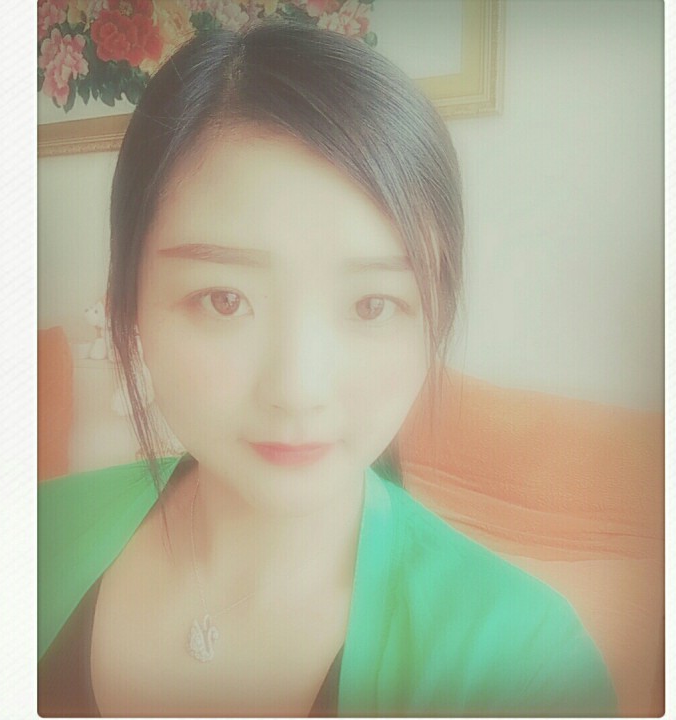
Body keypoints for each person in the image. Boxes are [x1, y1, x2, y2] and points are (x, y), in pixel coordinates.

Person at [38, 20, 616, 718]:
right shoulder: (31, 535)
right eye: (225, 300)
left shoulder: (527, 662)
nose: (297, 390)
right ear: (130, 304)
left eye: (373, 304)